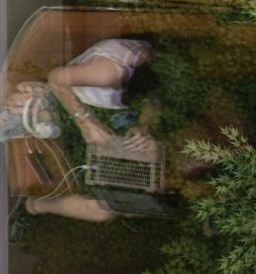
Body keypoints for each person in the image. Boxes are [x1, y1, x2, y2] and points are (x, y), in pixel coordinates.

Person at [20, 38, 158, 223]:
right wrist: (86, 123)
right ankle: (35, 207)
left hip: (106, 117)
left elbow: (154, 101)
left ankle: (115, 194)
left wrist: (143, 127)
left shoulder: (156, 72)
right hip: (72, 106)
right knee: (102, 210)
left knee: (137, 203)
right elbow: (56, 78)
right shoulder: (109, 73)